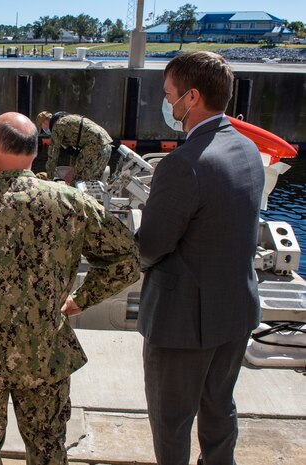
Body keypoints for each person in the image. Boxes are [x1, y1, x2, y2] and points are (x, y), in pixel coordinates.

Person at [0, 112, 139, 465]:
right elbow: (125, 259)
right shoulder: (71, 204)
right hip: (45, 359)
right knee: (48, 452)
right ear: (34, 152)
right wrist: (81, 299)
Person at [137, 51, 265, 465]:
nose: (165, 101)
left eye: (168, 93)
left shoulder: (183, 164)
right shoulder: (248, 150)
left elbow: (152, 244)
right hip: (236, 311)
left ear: (191, 98)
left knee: (172, 421)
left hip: (182, 325)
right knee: (219, 408)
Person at [35, 110, 113, 184]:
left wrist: (49, 178)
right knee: (93, 181)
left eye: (42, 128)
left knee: (77, 182)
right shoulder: (67, 120)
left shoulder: (57, 126)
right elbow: (74, 151)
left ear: (44, 123)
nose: (44, 130)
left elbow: (53, 155)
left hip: (94, 146)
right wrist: (72, 169)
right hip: (107, 145)